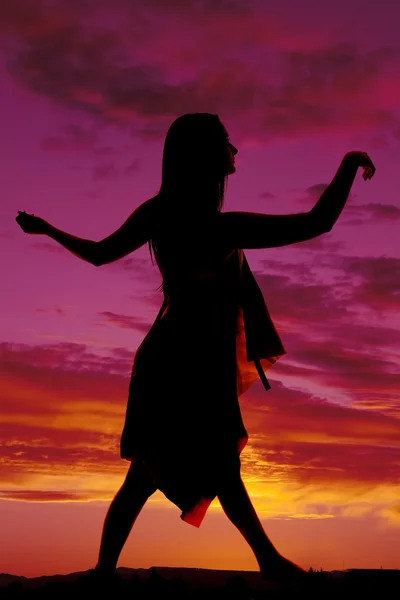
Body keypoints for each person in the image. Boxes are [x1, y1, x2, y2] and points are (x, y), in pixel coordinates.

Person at [16, 113, 375, 583]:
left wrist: (49, 231)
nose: (235, 150)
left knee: (150, 471)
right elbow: (316, 223)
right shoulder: (217, 227)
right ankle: (269, 564)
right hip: (188, 360)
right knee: (210, 462)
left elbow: (101, 253)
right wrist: (347, 164)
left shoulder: (160, 212)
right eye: (226, 142)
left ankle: (108, 573)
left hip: (170, 355)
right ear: (204, 155)